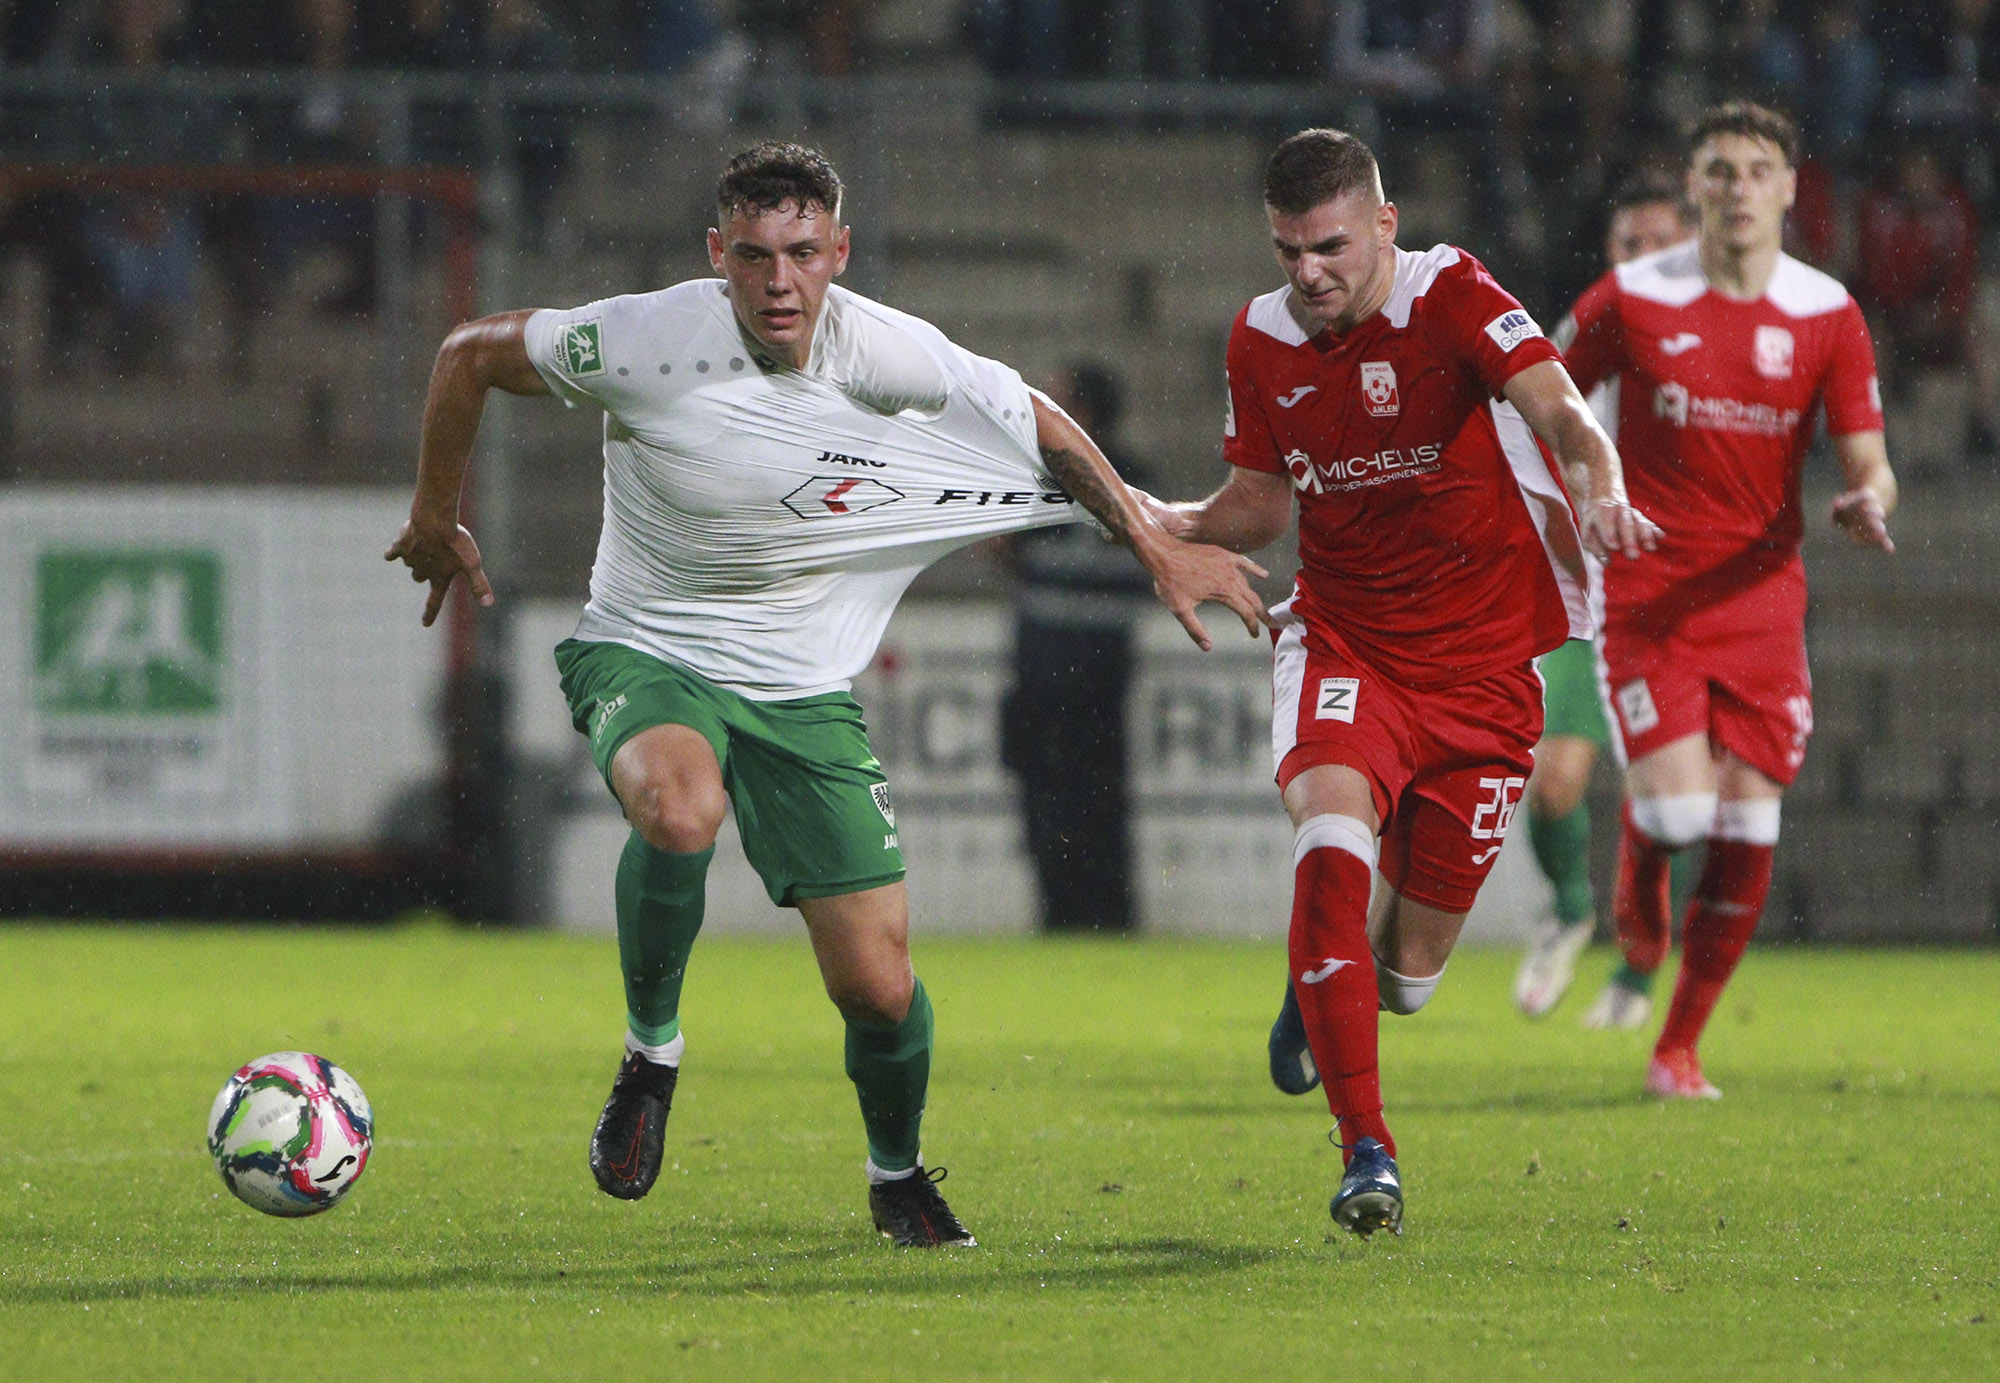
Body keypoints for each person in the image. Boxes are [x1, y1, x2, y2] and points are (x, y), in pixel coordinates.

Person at [384, 142, 1268, 1247]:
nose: (777, 282)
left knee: (878, 988)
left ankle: (895, 1175)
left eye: (802, 253)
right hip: (647, 649)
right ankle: (650, 1057)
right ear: (717, 255)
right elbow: (468, 355)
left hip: (801, 691)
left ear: (837, 253)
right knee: (679, 808)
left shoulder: (885, 352)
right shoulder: (645, 340)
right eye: (751, 256)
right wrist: (432, 512)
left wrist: (1148, 542)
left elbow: (1034, 418)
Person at [1144, 128, 1657, 1237]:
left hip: (1482, 676)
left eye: (1327, 246)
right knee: (1328, 849)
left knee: (1406, 976)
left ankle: (1316, 984)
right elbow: (1261, 502)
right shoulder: (1259, 337)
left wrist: (1601, 487)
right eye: (1285, 252)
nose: (1306, 273)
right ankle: (1366, 1150)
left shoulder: (1453, 295)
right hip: (1346, 647)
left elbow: (1564, 415)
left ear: (1382, 224)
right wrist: (1165, 522)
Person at [1562, 103, 1896, 1097]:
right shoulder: (1628, 298)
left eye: (1757, 170)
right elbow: (1537, 400)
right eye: (1718, 170)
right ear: (1693, 187)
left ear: (1789, 187)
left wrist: (1865, 503)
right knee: (1675, 809)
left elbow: (1871, 460)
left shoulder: (1825, 313)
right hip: (1649, 595)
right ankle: (1640, 884)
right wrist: (1593, 493)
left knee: (1749, 829)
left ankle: (1676, 1050)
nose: (1738, 187)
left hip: (1757, 603)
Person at [1515, 168, 1696, 1020]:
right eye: (1633, 243)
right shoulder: (1588, 323)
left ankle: (1640, 964)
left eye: (1666, 243)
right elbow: (1532, 430)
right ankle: (1568, 909)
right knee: (1552, 783)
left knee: (1673, 801)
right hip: (1591, 597)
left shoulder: (1734, 333)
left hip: (1688, 604)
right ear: (1611, 251)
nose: (1649, 258)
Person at [1000, 362, 1155, 933]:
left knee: (1056, 798)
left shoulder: (1045, 476)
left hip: (1053, 668)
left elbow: (1006, 551)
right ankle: (1106, 917)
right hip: (1095, 671)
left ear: (1081, 413)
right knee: (1097, 797)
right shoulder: (1134, 476)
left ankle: (1066, 915)